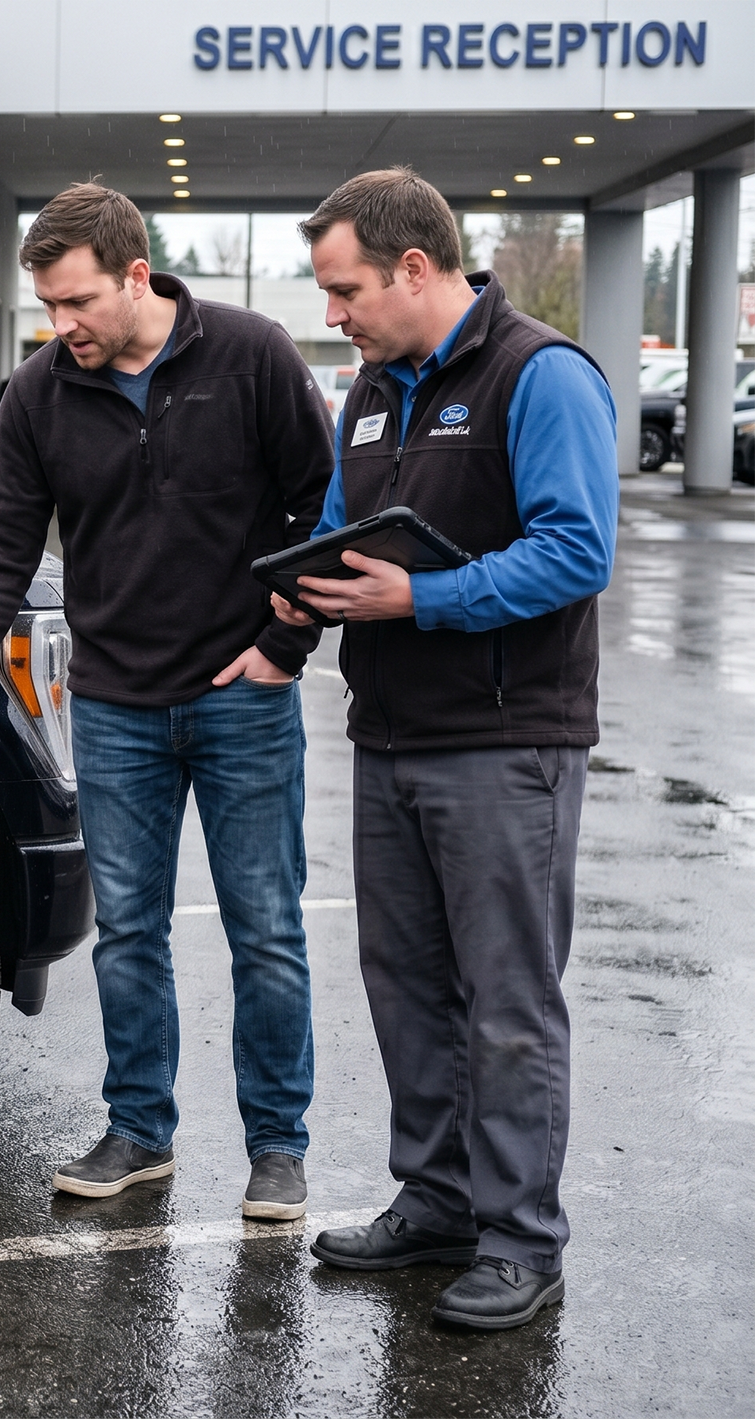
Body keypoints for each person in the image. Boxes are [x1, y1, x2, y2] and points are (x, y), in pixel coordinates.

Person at [0, 183, 333, 1219]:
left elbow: (325, 506)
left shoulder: (252, 354)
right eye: (47, 307)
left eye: (78, 303)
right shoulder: (40, 392)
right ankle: (138, 1130)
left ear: (137, 276)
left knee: (264, 927)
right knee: (129, 929)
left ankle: (276, 1147)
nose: (62, 327)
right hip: (116, 706)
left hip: (242, 700)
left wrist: (286, 643)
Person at [277, 168, 616, 1330]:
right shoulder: (370, 390)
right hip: (393, 737)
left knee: (507, 1001)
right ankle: (439, 1201)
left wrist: (420, 600)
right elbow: (336, 525)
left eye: (345, 289)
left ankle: (522, 1239)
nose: (334, 315)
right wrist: (300, 592)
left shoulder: (542, 374)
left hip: (506, 742)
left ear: (415, 269)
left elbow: (576, 551)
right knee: (409, 989)